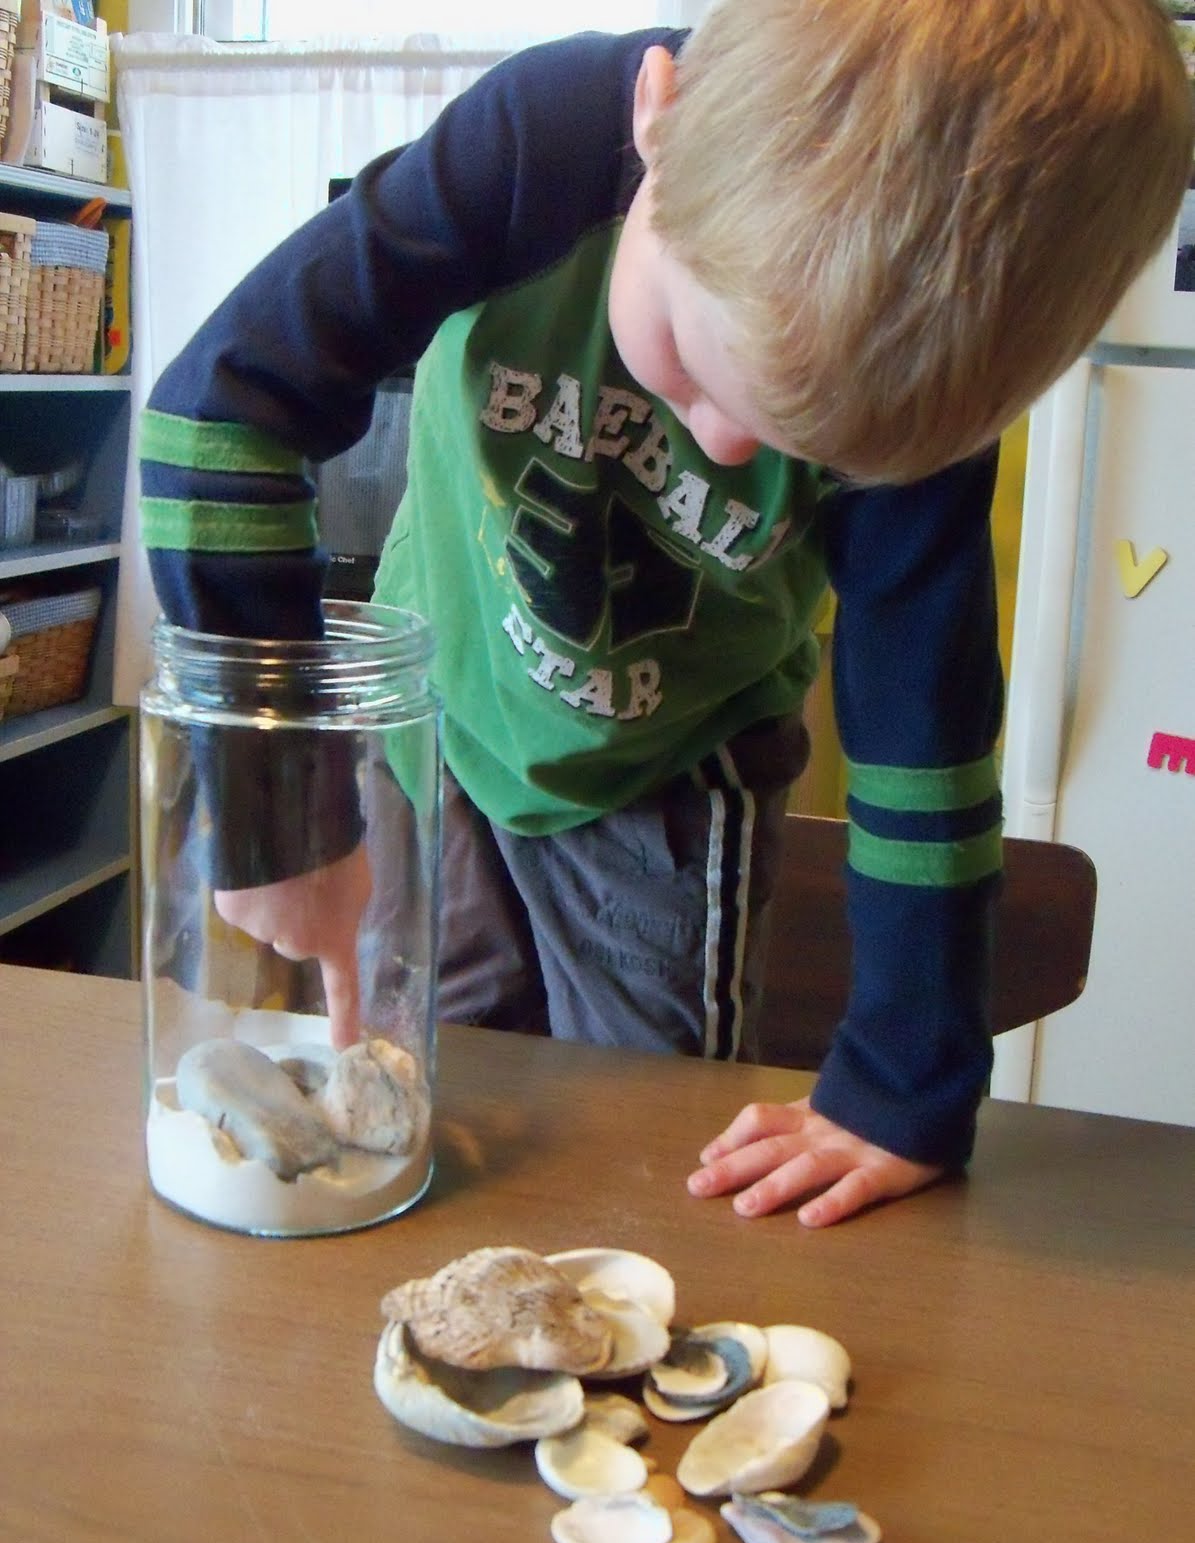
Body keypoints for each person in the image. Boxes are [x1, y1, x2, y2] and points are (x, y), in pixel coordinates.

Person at [138, 0, 1194, 1227]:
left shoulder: (927, 394)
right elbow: (217, 415)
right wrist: (281, 814)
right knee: (426, 1096)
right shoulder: (539, 139)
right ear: (660, 123)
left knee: (641, 1154)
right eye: (691, 364)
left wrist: (904, 1085)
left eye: (807, 449)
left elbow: (926, 734)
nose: (727, 446)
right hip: (441, 718)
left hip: (670, 774)